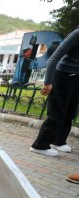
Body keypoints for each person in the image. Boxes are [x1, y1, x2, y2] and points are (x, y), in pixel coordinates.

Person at [30, 27, 79, 156]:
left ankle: (59, 141)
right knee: (57, 112)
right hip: (63, 76)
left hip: (77, 79)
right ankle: (40, 145)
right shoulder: (77, 34)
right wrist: (48, 82)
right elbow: (54, 57)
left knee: (70, 113)